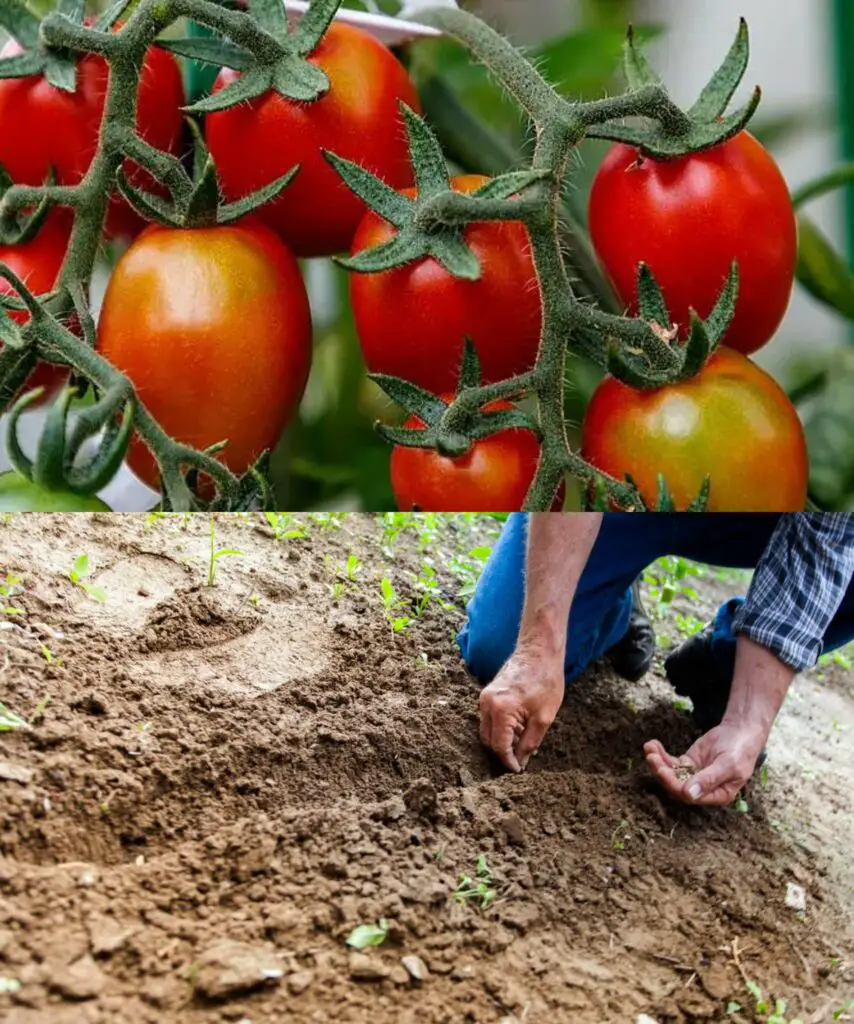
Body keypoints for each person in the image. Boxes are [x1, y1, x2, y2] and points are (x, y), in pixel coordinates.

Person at [457, 513, 854, 806]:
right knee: (501, 649)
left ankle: (727, 665)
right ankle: (613, 604)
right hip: (628, 487)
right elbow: (573, 453)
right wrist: (538, 646)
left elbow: (827, 534)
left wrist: (747, 720)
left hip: (759, 509)